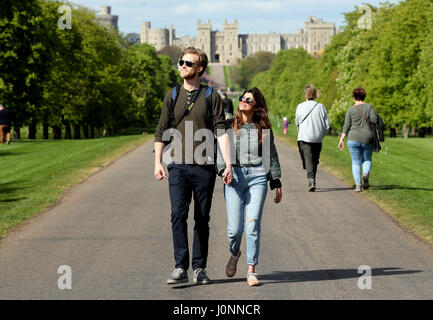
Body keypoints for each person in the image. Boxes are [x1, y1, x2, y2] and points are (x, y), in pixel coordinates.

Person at [154, 47, 233, 285]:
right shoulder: (173, 94)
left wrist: (227, 164)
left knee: (202, 218)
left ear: (200, 68)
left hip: (204, 166)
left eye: (188, 62)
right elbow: (161, 129)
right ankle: (180, 266)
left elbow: (221, 131)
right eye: (181, 61)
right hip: (177, 165)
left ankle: (199, 268)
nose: (183, 65)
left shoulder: (211, 96)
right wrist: (157, 161)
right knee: (178, 215)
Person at [217, 87, 282, 286]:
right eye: (243, 98)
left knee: (252, 225)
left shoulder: (261, 129)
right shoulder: (228, 126)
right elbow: (219, 151)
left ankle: (251, 270)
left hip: (257, 177)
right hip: (234, 178)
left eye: (249, 99)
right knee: (234, 231)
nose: (243, 101)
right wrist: (222, 170)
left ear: (256, 106)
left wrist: (276, 181)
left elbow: (270, 155)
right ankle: (235, 253)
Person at [338, 87, 378, 192]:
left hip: (353, 138)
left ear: (354, 97)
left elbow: (346, 126)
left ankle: (358, 185)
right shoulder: (369, 107)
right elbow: (374, 120)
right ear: (364, 96)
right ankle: (365, 174)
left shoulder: (351, 109)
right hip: (367, 138)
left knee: (355, 162)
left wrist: (341, 140)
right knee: (367, 159)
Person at [295, 85, 330, 191]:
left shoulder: (300, 106)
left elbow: (297, 122)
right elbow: (327, 125)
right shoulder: (321, 107)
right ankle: (312, 178)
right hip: (318, 138)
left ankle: (311, 180)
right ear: (315, 95)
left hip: (304, 137)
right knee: (314, 159)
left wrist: (300, 131)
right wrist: (322, 134)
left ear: (305, 94)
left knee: (308, 159)